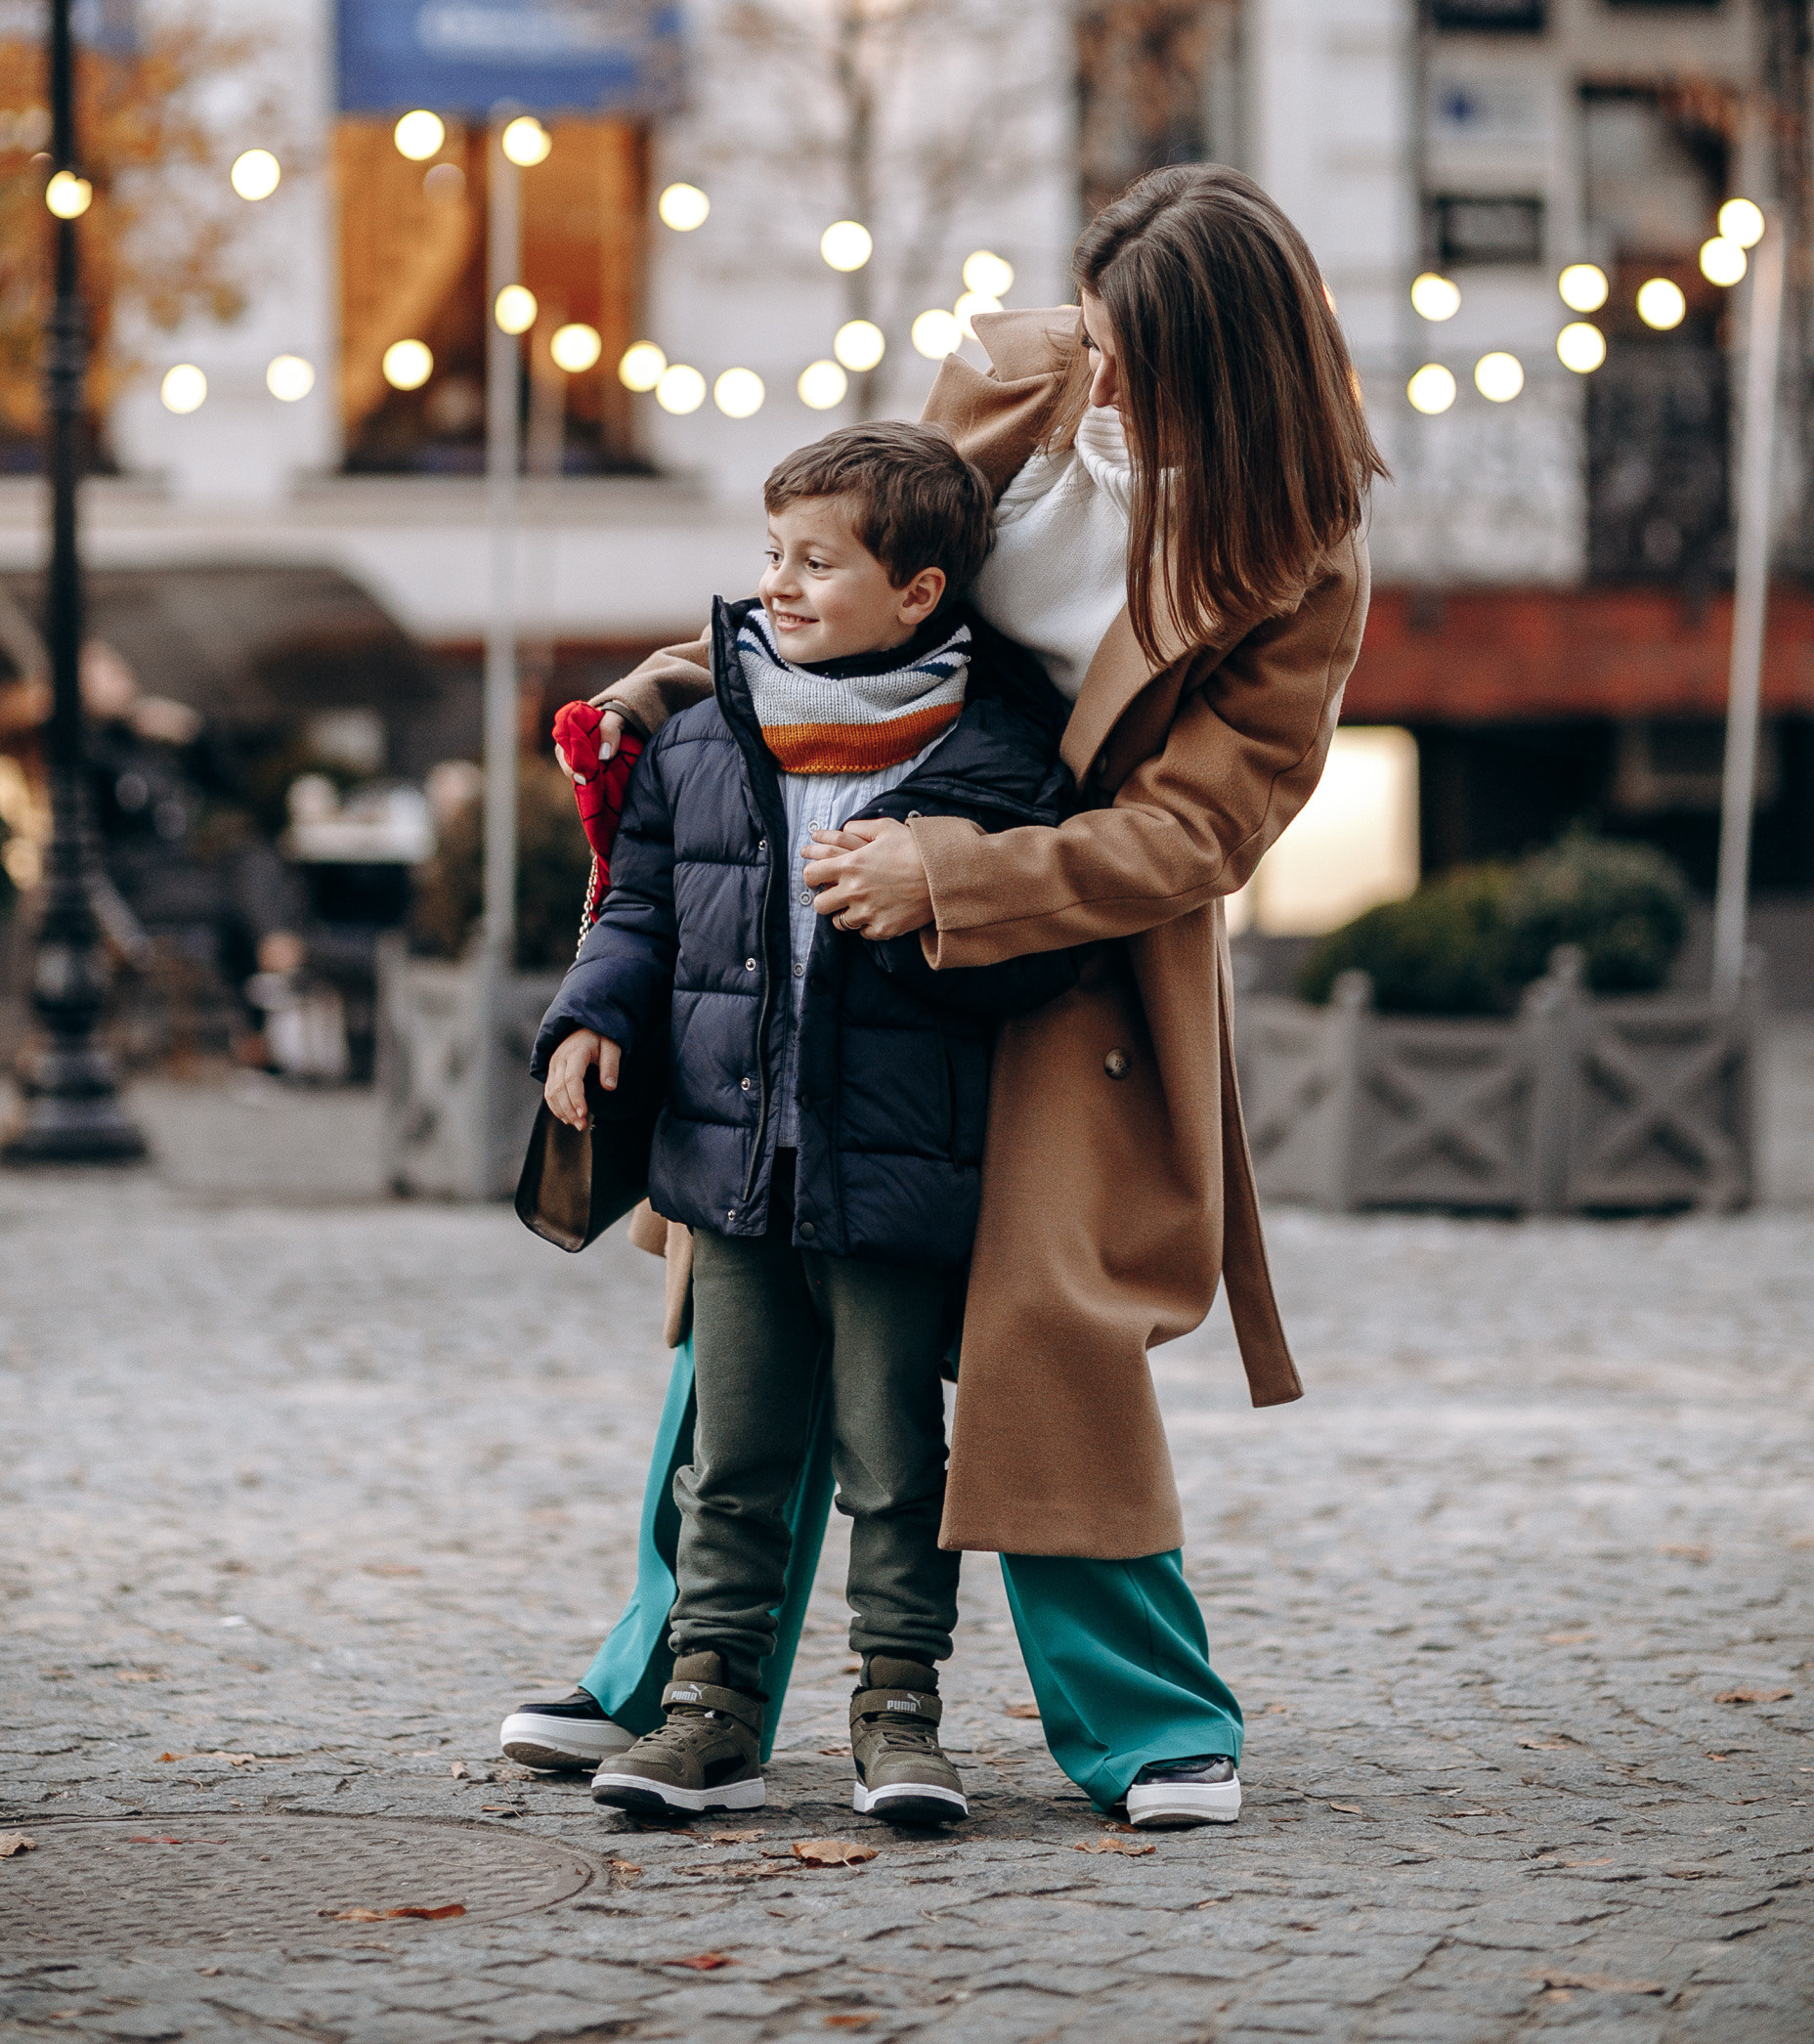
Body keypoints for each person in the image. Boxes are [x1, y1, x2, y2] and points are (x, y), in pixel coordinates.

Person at [506, 162, 1379, 1831]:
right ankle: (673, 1679)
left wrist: (958, 880)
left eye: (1135, 356)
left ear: (1231, 362)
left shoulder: (1299, 544)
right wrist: (683, 690)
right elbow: (859, 574)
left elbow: (1208, 825)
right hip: (845, 871)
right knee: (752, 1277)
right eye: (1094, 333)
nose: (1098, 373)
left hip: (1069, 943)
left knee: (1045, 1322)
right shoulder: (1018, 373)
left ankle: (1144, 1721)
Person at [528, 422, 1079, 1826]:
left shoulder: (997, 756)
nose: (781, 583)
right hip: (728, 1168)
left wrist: (930, 901)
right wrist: (591, 1020)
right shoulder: (707, 736)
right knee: (734, 1452)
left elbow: (1040, 955)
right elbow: (644, 907)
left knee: (896, 1461)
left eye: (819, 562)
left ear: (920, 592)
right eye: (773, 553)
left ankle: (900, 1713)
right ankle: (707, 1708)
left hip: (893, 1176)